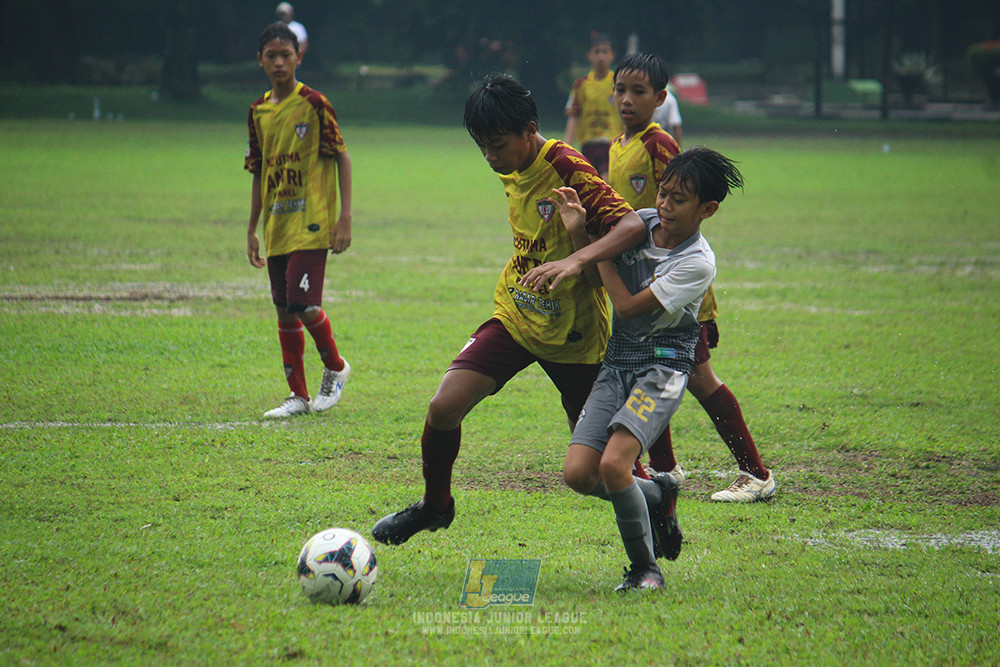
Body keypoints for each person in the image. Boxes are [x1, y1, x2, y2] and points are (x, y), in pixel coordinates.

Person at [371, 73, 645, 546]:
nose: (491, 157)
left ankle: (654, 496)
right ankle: (436, 506)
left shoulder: (565, 164)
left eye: (497, 145)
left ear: (529, 129)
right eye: (482, 147)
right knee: (443, 406)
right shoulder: (509, 166)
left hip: (574, 335)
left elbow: (634, 225)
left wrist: (576, 257)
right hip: (517, 314)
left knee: (596, 470)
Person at [519, 147, 742, 592]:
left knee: (616, 466)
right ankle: (659, 494)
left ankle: (645, 568)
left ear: (708, 209)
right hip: (618, 362)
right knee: (579, 474)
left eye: (679, 199)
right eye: (663, 193)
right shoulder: (642, 222)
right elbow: (591, 276)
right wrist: (580, 234)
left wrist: (586, 254)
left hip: (661, 370)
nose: (664, 205)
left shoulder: (697, 263)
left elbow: (624, 304)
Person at [608, 54, 775, 502]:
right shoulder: (618, 144)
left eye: (638, 92)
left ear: (661, 99)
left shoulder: (659, 145)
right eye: (620, 90)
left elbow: (685, 212)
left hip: (674, 293)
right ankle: (665, 469)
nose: (626, 100)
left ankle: (754, 473)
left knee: (699, 380)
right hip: (648, 282)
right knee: (649, 371)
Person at [244, 22, 352, 418]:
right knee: (284, 309)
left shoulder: (314, 103)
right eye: (270, 56)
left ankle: (337, 368)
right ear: (260, 60)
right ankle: (298, 396)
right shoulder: (257, 112)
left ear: (298, 57)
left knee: (303, 303)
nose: (278, 62)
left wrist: (345, 217)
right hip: (276, 225)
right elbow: (258, 171)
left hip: (312, 222)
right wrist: (252, 229)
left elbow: (341, 156)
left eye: (285, 55)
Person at [563, 33, 623, 180]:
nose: (600, 56)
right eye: (597, 52)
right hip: (588, 145)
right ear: (590, 55)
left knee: (606, 183)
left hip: (612, 144)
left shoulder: (619, 83)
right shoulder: (581, 85)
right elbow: (574, 115)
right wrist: (567, 146)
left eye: (605, 52)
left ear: (612, 55)